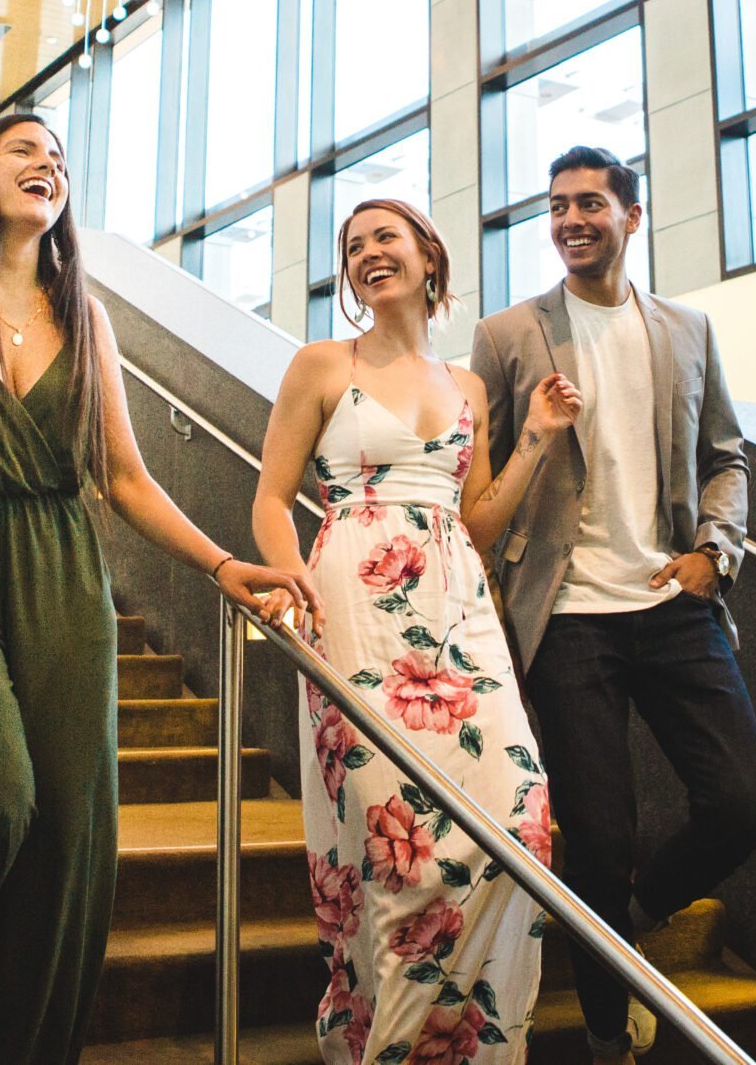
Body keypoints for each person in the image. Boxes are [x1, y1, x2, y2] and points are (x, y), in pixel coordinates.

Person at [0, 110, 312, 1064]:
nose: (48, 167)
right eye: (24, 152)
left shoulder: (82, 312)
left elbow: (124, 477)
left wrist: (220, 563)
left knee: (70, 840)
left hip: (56, 574)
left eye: (60, 160)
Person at [248, 199, 577, 1065]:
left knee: (522, 814)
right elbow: (269, 501)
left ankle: (469, 1047)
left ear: (430, 256)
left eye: (383, 238)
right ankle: (385, 1043)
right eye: (353, 246)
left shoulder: (467, 386)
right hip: (351, 599)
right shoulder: (322, 364)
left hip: (458, 602)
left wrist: (537, 439)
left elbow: (477, 516)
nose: (366, 254)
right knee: (403, 848)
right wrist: (289, 580)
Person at [464, 145, 756, 1062]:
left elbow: (728, 456)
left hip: (671, 603)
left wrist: (713, 555)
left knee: (739, 803)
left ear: (631, 217)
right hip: (566, 618)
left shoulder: (687, 329)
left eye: (590, 203)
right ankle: (608, 1036)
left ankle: (625, 927)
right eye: (557, 205)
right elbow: (483, 480)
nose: (570, 220)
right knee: (598, 840)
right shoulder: (508, 334)